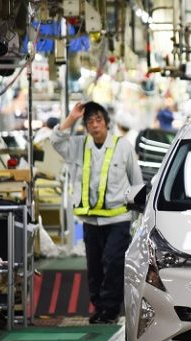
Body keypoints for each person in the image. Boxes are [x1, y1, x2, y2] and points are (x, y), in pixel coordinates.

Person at [51, 102, 143, 323]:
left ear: (107, 123)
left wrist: (138, 220)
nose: (94, 125)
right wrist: (72, 117)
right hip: (91, 220)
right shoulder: (78, 146)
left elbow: (137, 183)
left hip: (118, 219)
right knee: (94, 267)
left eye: (98, 120)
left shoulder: (123, 147)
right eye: (90, 121)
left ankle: (110, 310)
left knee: (113, 263)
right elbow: (55, 141)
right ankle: (99, 307)